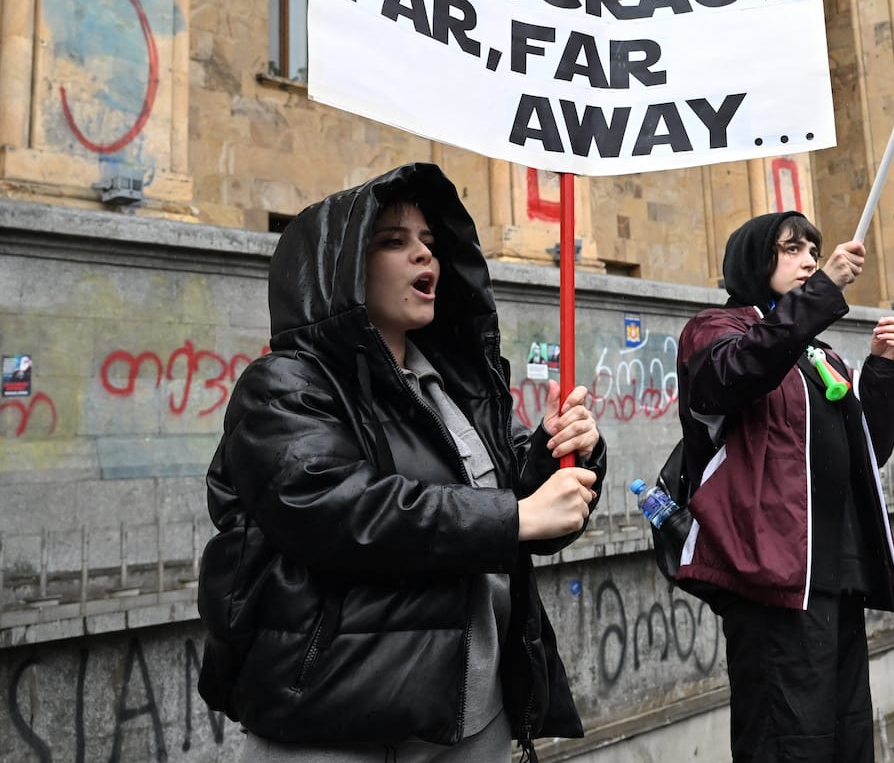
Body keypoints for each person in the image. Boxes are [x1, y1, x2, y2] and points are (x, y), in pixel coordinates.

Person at [197, 164, 604, 759]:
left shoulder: (457, 387)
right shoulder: (283, 385)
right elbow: (338, 511)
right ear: (340, 270)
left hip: (473, 719)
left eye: (431, 244)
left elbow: (524, 507)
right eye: (394, 241)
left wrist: (560, 455)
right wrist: (515, 517)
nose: (425, 258)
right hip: (341, 724)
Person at [675, 211, 894, 762]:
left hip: (835, 576)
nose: (808, 260)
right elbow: (738, 372)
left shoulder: (817, 353)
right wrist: (823, 290)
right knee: (786, 741)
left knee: (845, 737)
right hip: (771, 579)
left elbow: (864, 453)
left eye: (813, 249)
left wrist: (881, 373)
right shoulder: (717, 330)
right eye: (791, 249)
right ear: (756, 260)